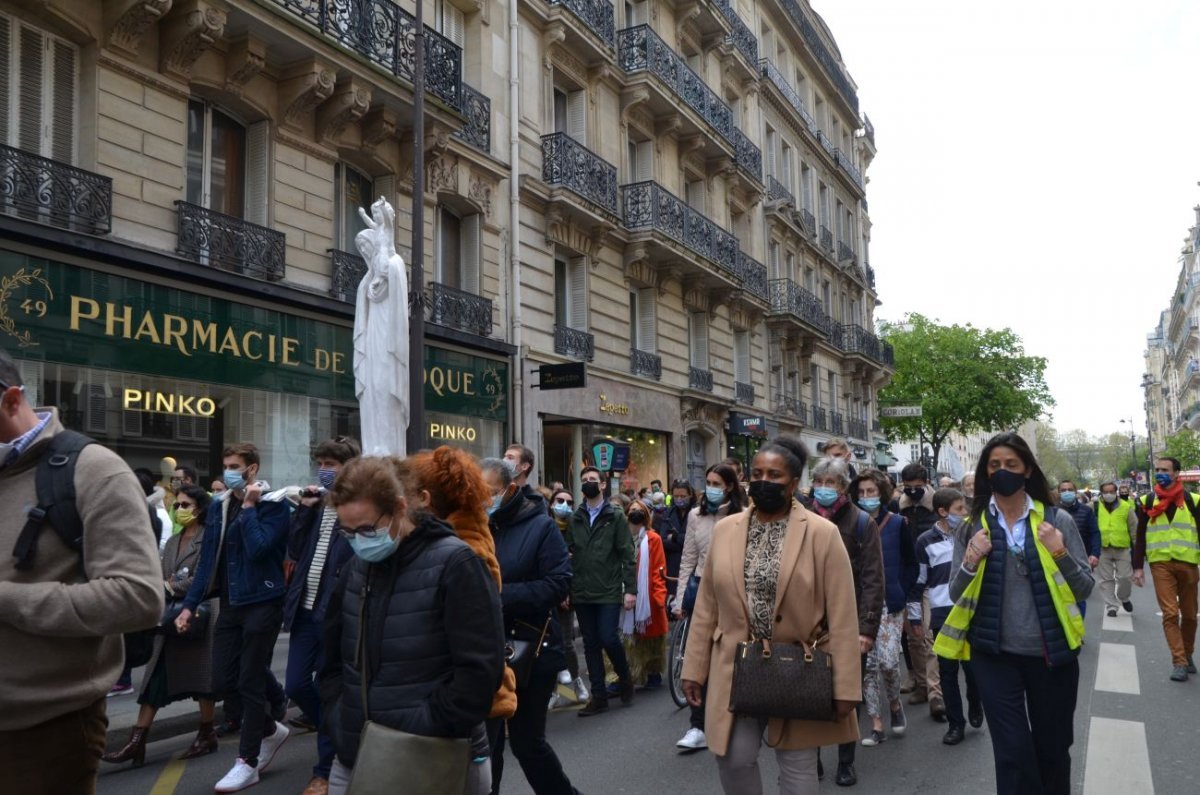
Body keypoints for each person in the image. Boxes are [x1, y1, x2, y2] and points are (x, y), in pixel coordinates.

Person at [0, 353, 164, 794]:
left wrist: (6, 599)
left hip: (42, 730)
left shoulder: (93, 469)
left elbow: (138, 598)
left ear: (12, 400)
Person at [681, 436, 862, 793]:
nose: (763, 481)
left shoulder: (822, 534)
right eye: (757, 472)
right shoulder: (725, 530)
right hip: (735, 665)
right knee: (733, 758)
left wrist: (845, 686)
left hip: (798, 667)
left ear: (794, 484)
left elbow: (843, 615)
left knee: (798, 771)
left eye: (774, 474)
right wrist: (693, 669)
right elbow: (707, 607)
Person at [319, 457, 506, 795]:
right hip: (355, 753)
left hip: (431, 755)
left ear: (400, 508)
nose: (358, 541)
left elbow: (480, 672)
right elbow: (332, 660)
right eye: (347, 532)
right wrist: (339, 716)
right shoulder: (354, 570)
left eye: (366, 529)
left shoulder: (457, 564)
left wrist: (429, 723)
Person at [937, 433, 1092, 794]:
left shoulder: (1057, 520)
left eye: (1010, 465)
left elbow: (1084, 587)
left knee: (1053, 750)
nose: (1002, 472)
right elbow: (955, 592)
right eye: (994, 466)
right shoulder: (973, 525)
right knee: (1012, 752)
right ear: (985, 472)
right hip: (994, 656)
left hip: (1051, 654)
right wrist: (972, 560)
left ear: (1026, 470)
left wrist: (1058, 552)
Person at [175, 442, 293, 793]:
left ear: (252, 469)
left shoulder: (275, 506)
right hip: (232, 603)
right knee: (224, 679)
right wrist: (188, 605)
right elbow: (208, 561)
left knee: (250, 682)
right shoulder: (219, 508)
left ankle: (248, 761)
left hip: (264, 601)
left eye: (235, 465)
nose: (229, 471)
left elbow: (260, 549)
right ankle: (272, 728)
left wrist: (252, 507)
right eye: (226, 464)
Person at [103, 486, 223, 768]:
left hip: (199, 616)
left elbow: (204, 577)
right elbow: (161, 573)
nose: (181, 509)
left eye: (186, 504)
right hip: (169, 616)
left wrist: (169, 585)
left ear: (201, 509)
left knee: (201, 681)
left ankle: (207, 733)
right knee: (157, 676)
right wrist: (165, 585)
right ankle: (137, 741)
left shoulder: (210, 538)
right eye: (178, 504)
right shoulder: (172, 542)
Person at [480, 459, 579, 795]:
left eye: (490, 492)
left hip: (530, 651)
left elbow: (558, 583)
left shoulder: (541, 526)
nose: (483, 499)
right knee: (486, 746)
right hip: (483, 649)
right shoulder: (474, 525)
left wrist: (498, 594)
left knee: (526, 743)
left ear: (511, 490)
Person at [284, 437, 360, 795]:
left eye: (332, 463)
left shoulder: (357, 506)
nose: (325, 469)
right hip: (305, 607)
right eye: (322, 463)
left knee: (328, 690)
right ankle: (340, 733)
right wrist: (304, 508)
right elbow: (295, 550)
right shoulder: (316, 505)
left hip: (333, 613)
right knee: (296, 684)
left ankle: (324, 770)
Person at [809, 457, 884, 787]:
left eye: (832, 483)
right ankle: (809, 758)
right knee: (806, 693)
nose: (825, 489)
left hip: (849, 621)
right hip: (808, 623)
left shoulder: (862, 522)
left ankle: (845, 760)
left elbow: (872, 578)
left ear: (843, 487)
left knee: (846, 694)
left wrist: (867, 629)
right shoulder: (803, 517)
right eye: (819, 482)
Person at [673, 463, 745, 752]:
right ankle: (697, 725)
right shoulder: (695, 516)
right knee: (698, 657)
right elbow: (688, 558)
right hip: (702, 590)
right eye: (708, 482)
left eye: (717, 483)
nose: (711, 488)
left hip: (734, 595)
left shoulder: (743, 515)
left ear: (729, 486)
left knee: (732, 658)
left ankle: (736, 717)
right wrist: (679, 599)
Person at [848, 469, 917, 748]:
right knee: (868, 665)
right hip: (861, 604)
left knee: (888, 662)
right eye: (861, 492)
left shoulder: (898, 523)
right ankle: (876, 723)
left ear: (882, 494)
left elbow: (912, 562)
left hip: (891, 603)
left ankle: (895, 705)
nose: (866, 497)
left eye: (871, 491)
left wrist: (902, 589)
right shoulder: (852, 525)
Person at [566, 466, 637, 716]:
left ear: (603, 485)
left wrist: (630, 590)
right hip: (582, 589)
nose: (588, 483)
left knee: (608, 637)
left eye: (592, 480)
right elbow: (568, 552)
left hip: (608, 589)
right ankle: (598, 696)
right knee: (590, 644)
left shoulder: (615, 515)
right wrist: (567, 587)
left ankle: (625, 676)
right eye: (584, 480)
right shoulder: (575, 517)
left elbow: (627, 553)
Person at [916, 488, 981, 745]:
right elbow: (920, 580)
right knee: (947, 671)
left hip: (970, 609)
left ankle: (975, 702)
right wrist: (915, 616)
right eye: (959, 510)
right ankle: (956, 724)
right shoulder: (925, 541)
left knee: (973, 668)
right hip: (942, 610)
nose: (964, 514)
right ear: (943, 512)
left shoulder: (973, 534)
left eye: (965, 509)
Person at [1132, 457, 1200, 681]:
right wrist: (1138, 567)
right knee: (1170, 613)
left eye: (1165, 470)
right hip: (1160, 564)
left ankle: (1187, 654)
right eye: (1158, 469)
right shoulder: (1147, 500)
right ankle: (1179, 661)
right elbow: (1140, 536)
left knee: (1189, 615)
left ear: (1177, 473)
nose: (1160, 473)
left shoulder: (1193, 500)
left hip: (1189, 563)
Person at [612, 499, 668, 692]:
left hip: (647, 597)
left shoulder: (653, 538)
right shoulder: (619, 536)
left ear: (646, 516)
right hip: (622, 592)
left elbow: (659, 568)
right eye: (632, 510)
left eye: (640, 510)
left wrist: (658, 595)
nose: (635, 513)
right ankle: (625, 676)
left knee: (649, 639)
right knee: (627, 638)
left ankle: (653, 672)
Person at [895, 463, 937, 708]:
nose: (912, 491)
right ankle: (921, 683)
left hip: (932, 581)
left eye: (917, 487)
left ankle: (935, 692)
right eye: (907, 487)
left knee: (929, 636)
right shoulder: (898, 508)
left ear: (926, 483)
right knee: (913, 638)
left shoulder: (936, 506)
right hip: (909, 581)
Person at [547, 488, 589, 708]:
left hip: (566, 594)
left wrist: (567, 592)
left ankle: (576, 682)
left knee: (566, 642)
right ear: (552, 503)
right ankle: (553, 690)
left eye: (569, 502)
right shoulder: (545, 527)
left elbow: (579, 564)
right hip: (547, 594)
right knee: (547, 646)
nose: (564, 504)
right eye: (559, 500)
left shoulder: (576, 528)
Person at [1095, 481, 1136, 618]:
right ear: (1101, 493)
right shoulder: (1094, 506)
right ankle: (1111, 606)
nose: (1108, 495)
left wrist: (1138, 549)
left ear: (1116, 492)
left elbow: (1134, 528)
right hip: (1102, 548)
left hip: (1122, 547)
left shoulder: (1126, 506)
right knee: (1105, 579)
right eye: (1105, 492)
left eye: (1111, 492)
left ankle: (1123, 597)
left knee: (1125, 577)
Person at [655, 478, 695, 588]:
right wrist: (684, 541)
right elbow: (663, 540)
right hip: (672, 567)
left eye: (683, 496)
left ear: (690, 495)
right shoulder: (668, 513)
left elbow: (697, 541)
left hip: (694, 568)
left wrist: (675, 537)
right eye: (676, 496)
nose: (679, 499)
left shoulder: (698, 512)